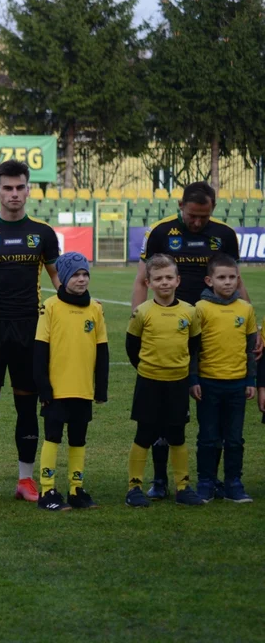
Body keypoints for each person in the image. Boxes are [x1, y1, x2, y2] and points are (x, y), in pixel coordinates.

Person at [131, 181, 246, 500]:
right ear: (181, 206)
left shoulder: (224, 235)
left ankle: (214, 479)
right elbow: (141, 280)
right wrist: (139, 322)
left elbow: (237, 281)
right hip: (171, 335)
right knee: (162, 415)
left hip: (213, 335)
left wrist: (252, 326)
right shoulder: (160, 233)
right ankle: (159, 481)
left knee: (213, 411)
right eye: (193, 216)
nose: (198, 222)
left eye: (204, 216)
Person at [0, 160, 60, 503]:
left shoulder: (43, 234)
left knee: (27, 408)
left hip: (30, 331)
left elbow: (58, 281)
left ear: (28, 189)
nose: (14, 194)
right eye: (8, 188)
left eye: (20, 187)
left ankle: (25, 480)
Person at [125, 254, 205, 507]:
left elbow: (194, 346)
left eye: (169, 277)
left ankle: (183, 486)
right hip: (149, 382)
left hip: (178, 383)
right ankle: (134, 487)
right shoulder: (142, 312)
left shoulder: (190, 312)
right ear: (148, 283)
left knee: (177, 434)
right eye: (158, 279)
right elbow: (132, 347)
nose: (164, 283)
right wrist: (149, 368)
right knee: (144, 433)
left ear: (178, 280)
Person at [33, 253, 108, 512]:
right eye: (76, 275)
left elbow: (102, 351)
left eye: (85, 274)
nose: (81, 279)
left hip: (83, 388)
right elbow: (40, 349)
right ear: (64, 279)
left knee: (78, 439)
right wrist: (44, 387)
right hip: (56, 388)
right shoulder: (51, 306)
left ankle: (76, 489)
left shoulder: (95, 309)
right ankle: (47, 490)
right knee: (53, 437)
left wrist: (101, 388)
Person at [191, 254, 256, 503]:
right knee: (208, 437)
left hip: (238, 384)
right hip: (208, 383)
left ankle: (233, 483)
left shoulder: (246, 309)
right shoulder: (201, 308)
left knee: (235, 438)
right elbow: (194, 348)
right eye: (221, 278)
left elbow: (250, 349)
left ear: (238, 280)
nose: (227, 282)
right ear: (210, 280)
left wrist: (250, 380)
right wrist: (193, 379)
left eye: (232, 278)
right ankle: (206, 483)